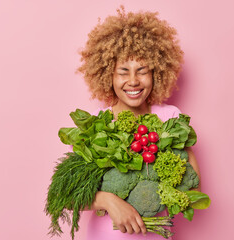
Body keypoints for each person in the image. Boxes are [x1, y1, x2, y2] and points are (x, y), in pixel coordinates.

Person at [77, 6, 201, 240]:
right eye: (123, 72)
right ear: (108, 75)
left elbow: (193, 187)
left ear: (156, 73)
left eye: (142, 71)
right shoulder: (95, 125)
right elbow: (68, 195)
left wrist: (161, 188)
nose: (133, 81)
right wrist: (108, 200)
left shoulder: (170, 119)